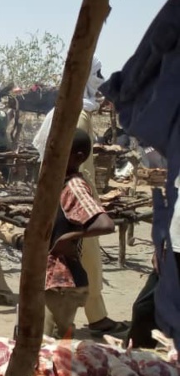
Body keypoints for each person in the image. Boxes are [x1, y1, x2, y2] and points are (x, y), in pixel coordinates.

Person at [33, 55, 126, 334]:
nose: (99, 81)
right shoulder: (79, 112)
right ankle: (95, 318)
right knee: (86, 259)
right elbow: (80, 164)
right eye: (96, 74)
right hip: (73, 198)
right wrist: (87, 198)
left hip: (54, 191)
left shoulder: (59, 109)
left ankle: (75, 323)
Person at [45, 129, 115, 338]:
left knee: (50, 345)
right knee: (42, 342)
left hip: (63, 281)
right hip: (52, 278)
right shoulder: (59, 181)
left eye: (60, 151)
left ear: (79, 157)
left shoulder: (74, 185)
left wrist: (69, 238)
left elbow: (105, 224)